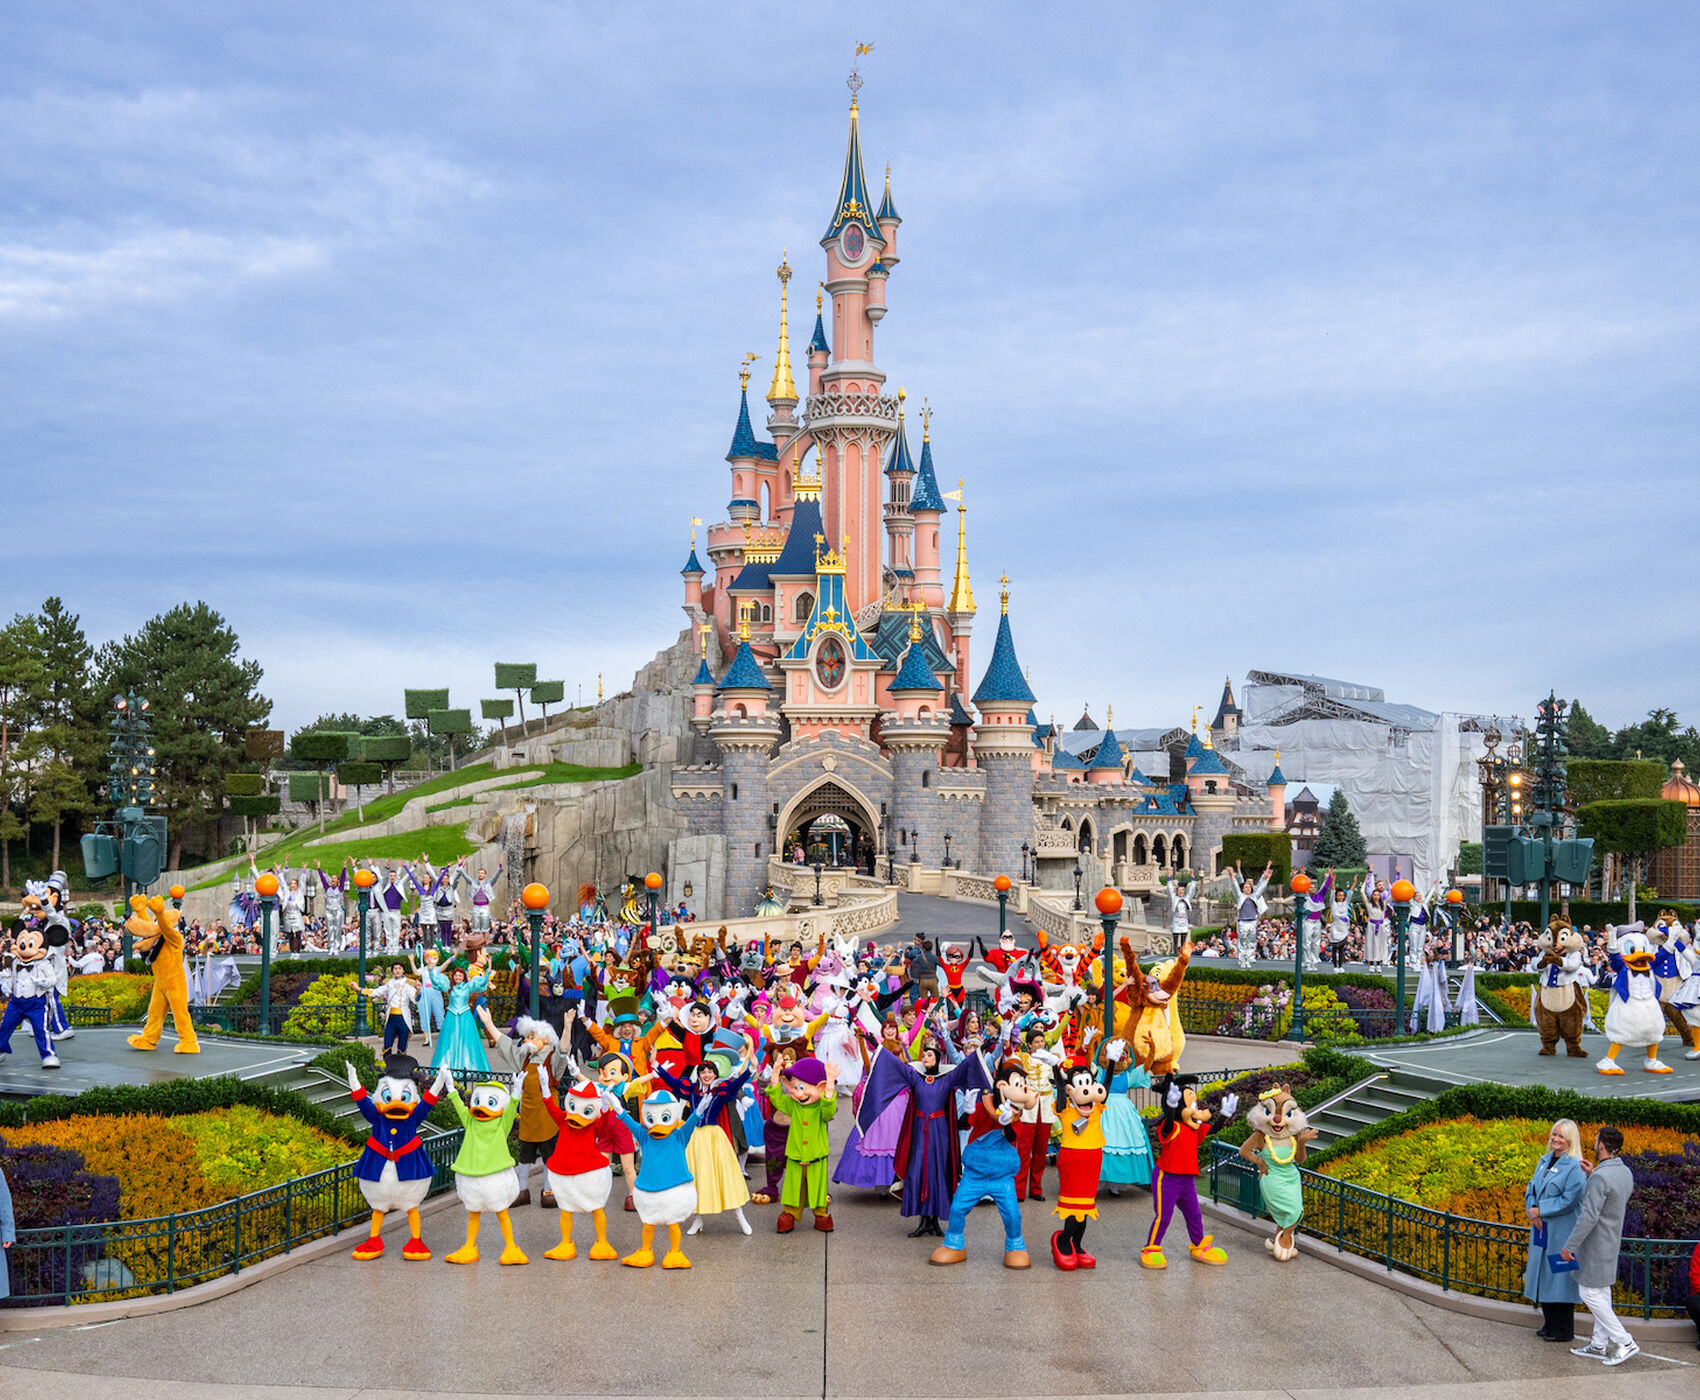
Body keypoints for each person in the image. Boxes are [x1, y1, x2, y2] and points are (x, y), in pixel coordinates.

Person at [1561, 1125, 1638, 1367]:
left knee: (1589, 1293)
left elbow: (1588, 1217)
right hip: (1611, 1242)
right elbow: (1611, 1197)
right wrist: (1593, 1173)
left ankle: (1625, 1342)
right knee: (1602, 1292)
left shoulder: (1600, 1178)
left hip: (1595, 1245)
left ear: (1602, 1145)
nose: (1594, 1143)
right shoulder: (1624, 1171)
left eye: (1596, 1140)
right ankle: (1598, 1344)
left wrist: (1569, 1246)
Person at [1523, 1119, 1588, 1342]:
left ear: (1570, 1140)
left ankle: (1562, 1330)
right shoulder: (1544, 1161)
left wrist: (1541, 1211)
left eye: (1561, 1136)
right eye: (1554, 1135)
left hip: (1562, 1232)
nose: (1556, 1139)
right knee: (1544, 1276)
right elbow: (1531, 1188)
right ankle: (1548, 1323)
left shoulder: (1575, 1167)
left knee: (1559, 1279)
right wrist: (1533, 1211)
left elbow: (1569, 1200)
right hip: (1542, 1229)